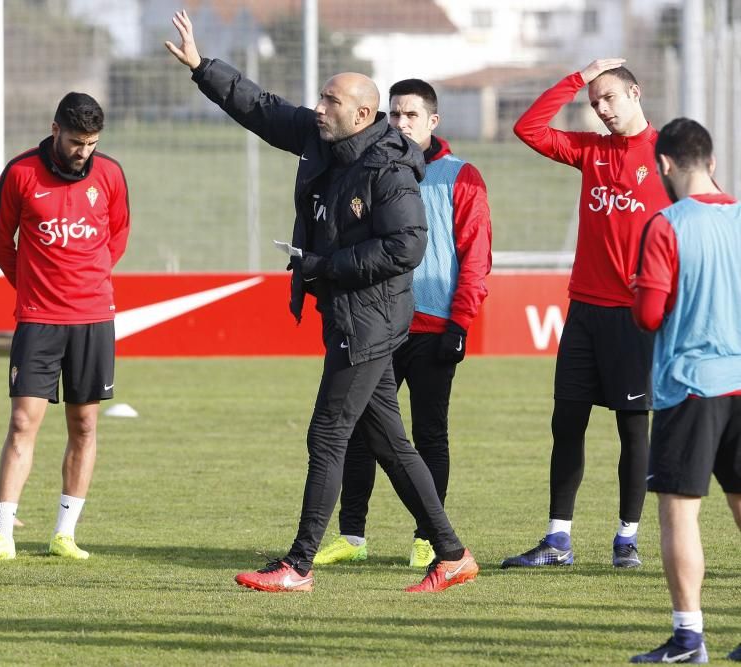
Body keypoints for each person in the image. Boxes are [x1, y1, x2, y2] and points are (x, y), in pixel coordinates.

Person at [166, 10, 478, 593]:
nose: (318, 107)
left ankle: (298, 565)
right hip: (347, 314)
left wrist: (324, 266)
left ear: (363, 113)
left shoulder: (388, 168)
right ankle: (453, 555)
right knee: (389, 441)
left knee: (329, 433)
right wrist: (203, 67)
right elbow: (260, 107)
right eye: (321, 97)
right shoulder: (321, 136)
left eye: (330, 100)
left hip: (373, 319)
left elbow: (407, 247)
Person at [314, 78, 492, 569]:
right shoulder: (371, 167)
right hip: (379, 319)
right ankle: (352, 536)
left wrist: (461, 321)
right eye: (393, 115)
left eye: (411, 115)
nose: (400, 123)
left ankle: (428, 539)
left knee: (429, 434)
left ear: (433, 121)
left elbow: (475, 256)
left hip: (434, 326)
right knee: (359, 431)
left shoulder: (460, 175)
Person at [502, 58, 671, 570]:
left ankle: (627, 539)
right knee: (566, 422)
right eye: (594, 103)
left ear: (635, 93)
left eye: (610, 98)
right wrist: (577, 77)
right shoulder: (590, 150)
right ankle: (557, 540)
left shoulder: (666, 154)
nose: (602, 110)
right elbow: (526, 128)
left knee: (632, 428)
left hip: (634, 316)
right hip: (584, 310)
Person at [0, 90, 131, 562]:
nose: (84, 152)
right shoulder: (20, 173)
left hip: (94, 319)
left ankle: (65, 532)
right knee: (23, 421)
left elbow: (117, 234)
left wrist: (91, 277)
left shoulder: (112, 174)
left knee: (83, 424)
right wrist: (31, 284)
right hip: (38, 320)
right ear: (56, 129)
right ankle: (2, 534)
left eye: (92, 143)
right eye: (77, 141)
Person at [628, 118, 741, 664]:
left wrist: (640, 293)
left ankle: (688, 636)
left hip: (691, 386)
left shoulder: (667, 224)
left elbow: (650, 314)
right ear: (712, 163)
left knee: (680, 513)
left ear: (665, 165)